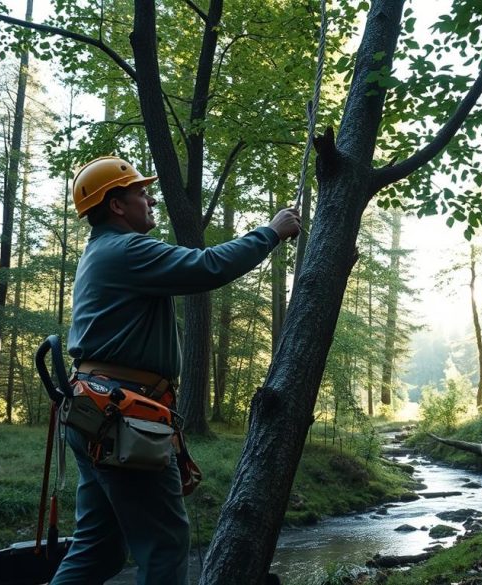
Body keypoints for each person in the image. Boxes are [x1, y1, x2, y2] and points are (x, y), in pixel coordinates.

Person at [51, 155, 300, 585]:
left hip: (96, 411)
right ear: (115, 205)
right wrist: (271, 234)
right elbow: (207, 267)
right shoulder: (127, 249)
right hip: (123, 417)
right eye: (140, 193)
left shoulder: (101, 252)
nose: (150, 200)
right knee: (165, 544)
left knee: (99, 547)